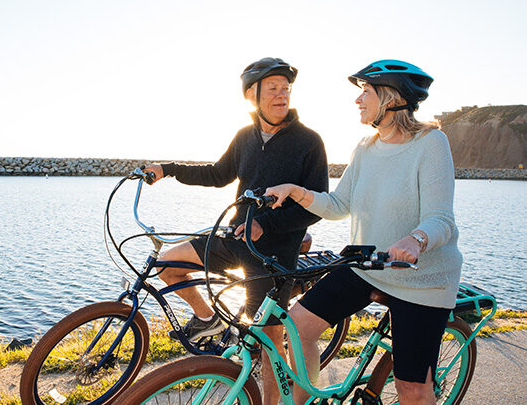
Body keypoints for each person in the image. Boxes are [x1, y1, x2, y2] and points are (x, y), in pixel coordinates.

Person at [264, 60, 462, 405]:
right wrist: (295, 190)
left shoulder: (431, 143)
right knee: (296, 329)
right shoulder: (365, 148)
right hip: (369, 266)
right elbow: (340, 204)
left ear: (390, 98)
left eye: (365, 92)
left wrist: (415, 240)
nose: (358, 100)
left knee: (412, 389)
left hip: (421, 280)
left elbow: (441, 219)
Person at [145, 57, 328, 405]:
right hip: (234, 239)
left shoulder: (309, 141)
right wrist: (167, 169)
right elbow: (217, 174)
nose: (281, 95)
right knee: (168, 264)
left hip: (273, 256)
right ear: (252, 95)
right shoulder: (245, 136)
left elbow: (317, 205)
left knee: (268, 340)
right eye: (272, 88)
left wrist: (266, 223)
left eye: (285, 88)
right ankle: (208, 318)